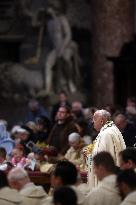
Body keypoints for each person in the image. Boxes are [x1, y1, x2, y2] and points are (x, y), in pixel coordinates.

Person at [85, 109, 126, 190]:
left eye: (94, 119)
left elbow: (101, 158)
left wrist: (89, 155)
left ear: (102, 121)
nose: (92, 122)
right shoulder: (111, 130)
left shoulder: (106, 134)